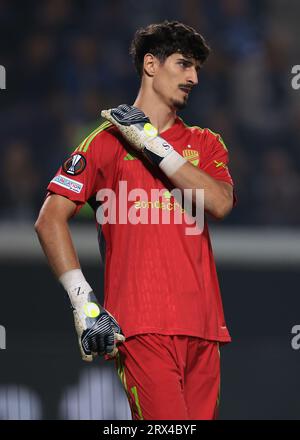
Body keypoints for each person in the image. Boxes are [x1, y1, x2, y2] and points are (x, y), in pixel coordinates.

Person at [35, 20, 235, 420]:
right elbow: (49, 219)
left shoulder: (205, 142)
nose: (194, 77)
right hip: (142, 326)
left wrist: (153, 145)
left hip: (205, 328)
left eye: (196, 68)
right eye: (183, 65)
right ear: (150, 64)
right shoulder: (105, 142)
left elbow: (219, 202)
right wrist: (84, 303)